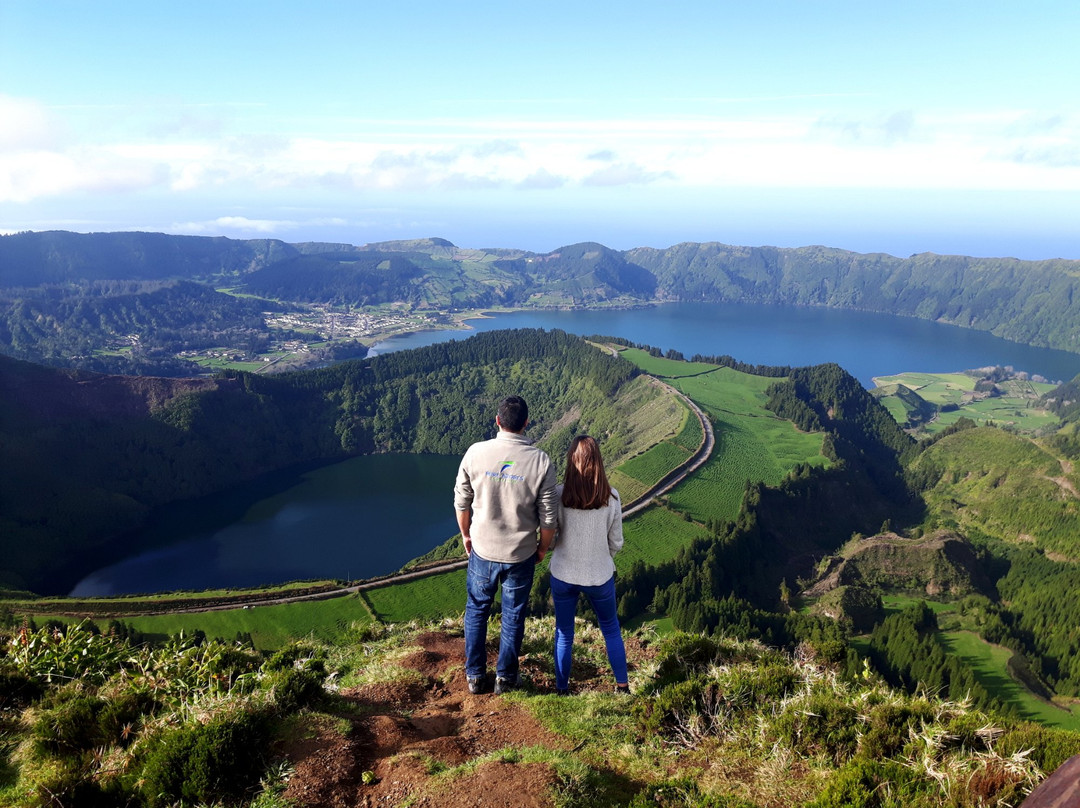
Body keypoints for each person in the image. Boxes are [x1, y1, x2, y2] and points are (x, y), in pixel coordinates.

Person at [454, 395, 558, 695]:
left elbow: (462, 501)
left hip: (483, 550)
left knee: (476, 610)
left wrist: (466, 534)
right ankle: (505, 679)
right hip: (520, 553)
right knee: (513, 615)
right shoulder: (540, 460)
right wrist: (542, 547)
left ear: (497, 421)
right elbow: (548, 517)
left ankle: (474, 676)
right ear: (526, 423)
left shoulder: (475, 453)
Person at [549, 435, 629, 695]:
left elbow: (550, 539)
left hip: (563, 573)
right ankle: (622, 686)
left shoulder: (560, 495)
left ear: (571, 461)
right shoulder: (612, 497)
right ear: (598, 463)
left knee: (564, 633)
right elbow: (616, 542)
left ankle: (562, 688)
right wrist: (601, 557)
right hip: (599, 574)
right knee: (611, 629)